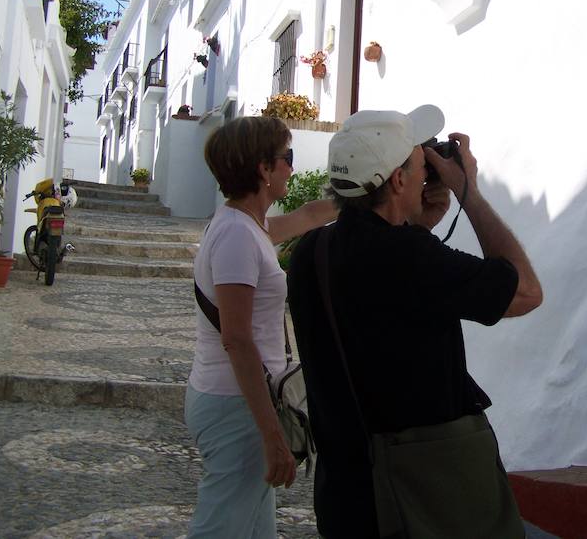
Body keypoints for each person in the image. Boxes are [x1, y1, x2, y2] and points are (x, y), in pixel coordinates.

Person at [287, 105, 544, 538]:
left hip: (347, 496)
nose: (428, 172)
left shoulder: (311, 252)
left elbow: (386, 307)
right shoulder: (409, 257)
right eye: (420, 164)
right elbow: (526, 293)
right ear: (398, 180)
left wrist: (417, 227)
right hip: (422, 497)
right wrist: (470, 195)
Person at [186, 115, 337, 538]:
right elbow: (236, 338)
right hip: (237, 406)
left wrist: (368, 194)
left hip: (237, 400)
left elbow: (308, 215)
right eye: (285, 158)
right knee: (221, 527)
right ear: (263, 169)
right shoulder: (237, 235)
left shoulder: (248, 226)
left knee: (253, 528)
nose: (291, 166)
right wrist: (272, 435)